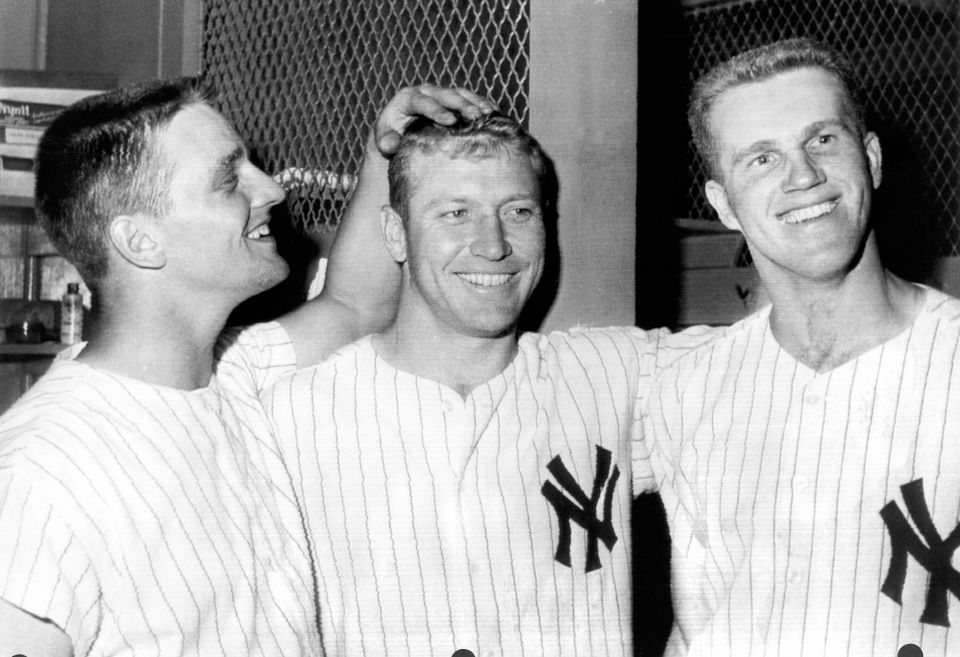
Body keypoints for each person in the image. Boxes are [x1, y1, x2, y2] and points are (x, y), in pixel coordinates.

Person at [0, 76, 493, 657]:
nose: (274, 189)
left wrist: (383, 153)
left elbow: (357, 305)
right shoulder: (36, 478)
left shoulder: (235, 374)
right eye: (229, 178)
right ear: (141, 241)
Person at [264, 113, 712, 656]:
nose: (494, 244)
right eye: (456, 214)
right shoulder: (294, 414)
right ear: (395, 233)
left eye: (519, 212)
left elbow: (788, 354)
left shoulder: (617, 373)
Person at [640, 38, 960, 656]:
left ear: (871, 158)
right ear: (723, 205)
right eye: (761, 159)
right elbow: (694, 627)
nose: (803, 176)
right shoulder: (685, 387)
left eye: (822, 139)